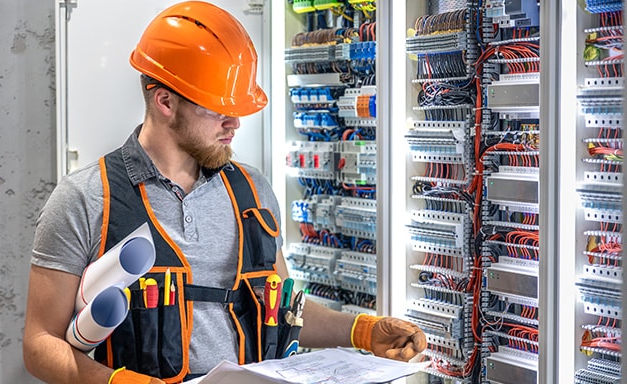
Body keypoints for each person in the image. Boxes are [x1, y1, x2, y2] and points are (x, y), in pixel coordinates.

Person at [22, 2, 427, 383]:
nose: (234, 123)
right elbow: (40, 344)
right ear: (165, 101)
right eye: (219, 108)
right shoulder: (85, 199)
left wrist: (362, 331)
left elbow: (284, 311)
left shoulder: (253, 191)